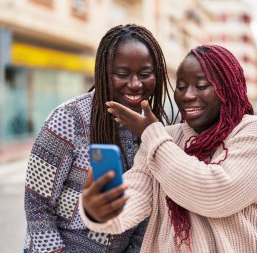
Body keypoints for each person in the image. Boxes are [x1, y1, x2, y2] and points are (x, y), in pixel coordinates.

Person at [79, 45, 257, 253]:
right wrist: (101, 211)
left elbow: (214, 193)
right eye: (182, 86)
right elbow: (137, 193)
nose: (187, 96)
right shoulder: (166, 137)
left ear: (228, 88)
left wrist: (151, 133)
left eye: (201, 85)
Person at [23, 24, 174, 253]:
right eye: (122, 74)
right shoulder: (69, 118)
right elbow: (37, 205)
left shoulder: (154, 128)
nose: (134, 84)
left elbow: (147, 213)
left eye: (144, 74)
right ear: (105, 72)